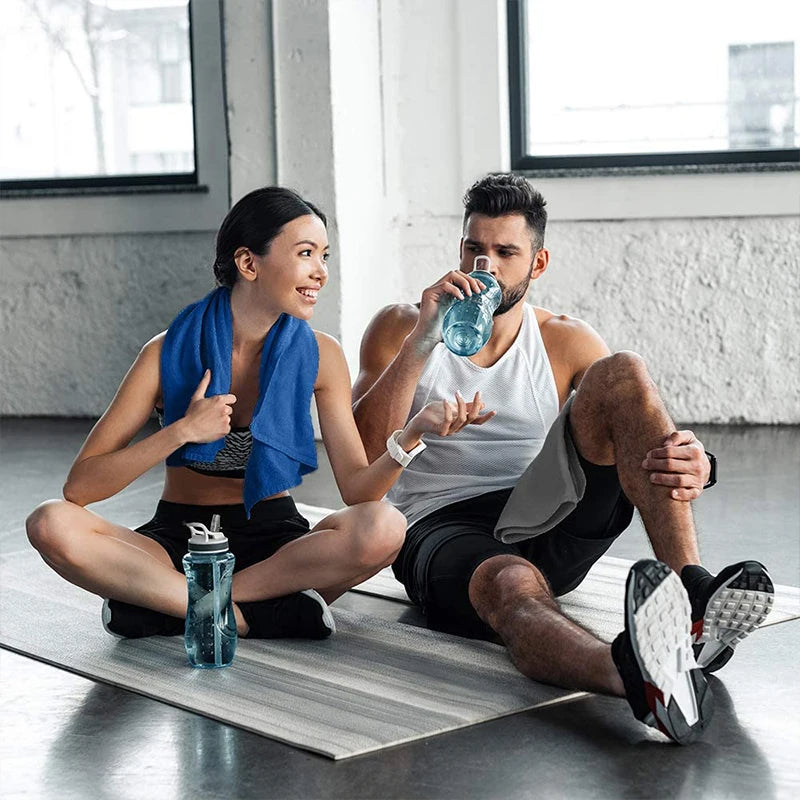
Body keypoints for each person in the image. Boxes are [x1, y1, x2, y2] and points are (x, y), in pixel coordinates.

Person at [351, 173, 774, 744]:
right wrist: (424, 339)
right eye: (475, 249)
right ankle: (635, 677)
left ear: (538, 263)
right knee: (510, 582)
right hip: (440, 525)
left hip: (543, 511)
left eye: (506, 252)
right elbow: (363, 457)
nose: (487, 266)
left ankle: (691, 595)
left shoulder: (563, 338)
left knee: (622, 372)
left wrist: (701, 464)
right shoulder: (402, 326)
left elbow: (633, 429)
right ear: (459, 251)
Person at [25, 187, 486, 641]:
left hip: (275, 547)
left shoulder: (322, 355)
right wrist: (181, 431)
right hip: (176, 541)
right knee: (50, 521)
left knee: (385, 526)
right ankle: (254, 618)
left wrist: (412, 433)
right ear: (249, 263)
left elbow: (357, 489)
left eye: (325, 256)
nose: (321, 272)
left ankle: (170, 604)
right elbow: (79, 488)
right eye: (306, 253)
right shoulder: (164, 354)